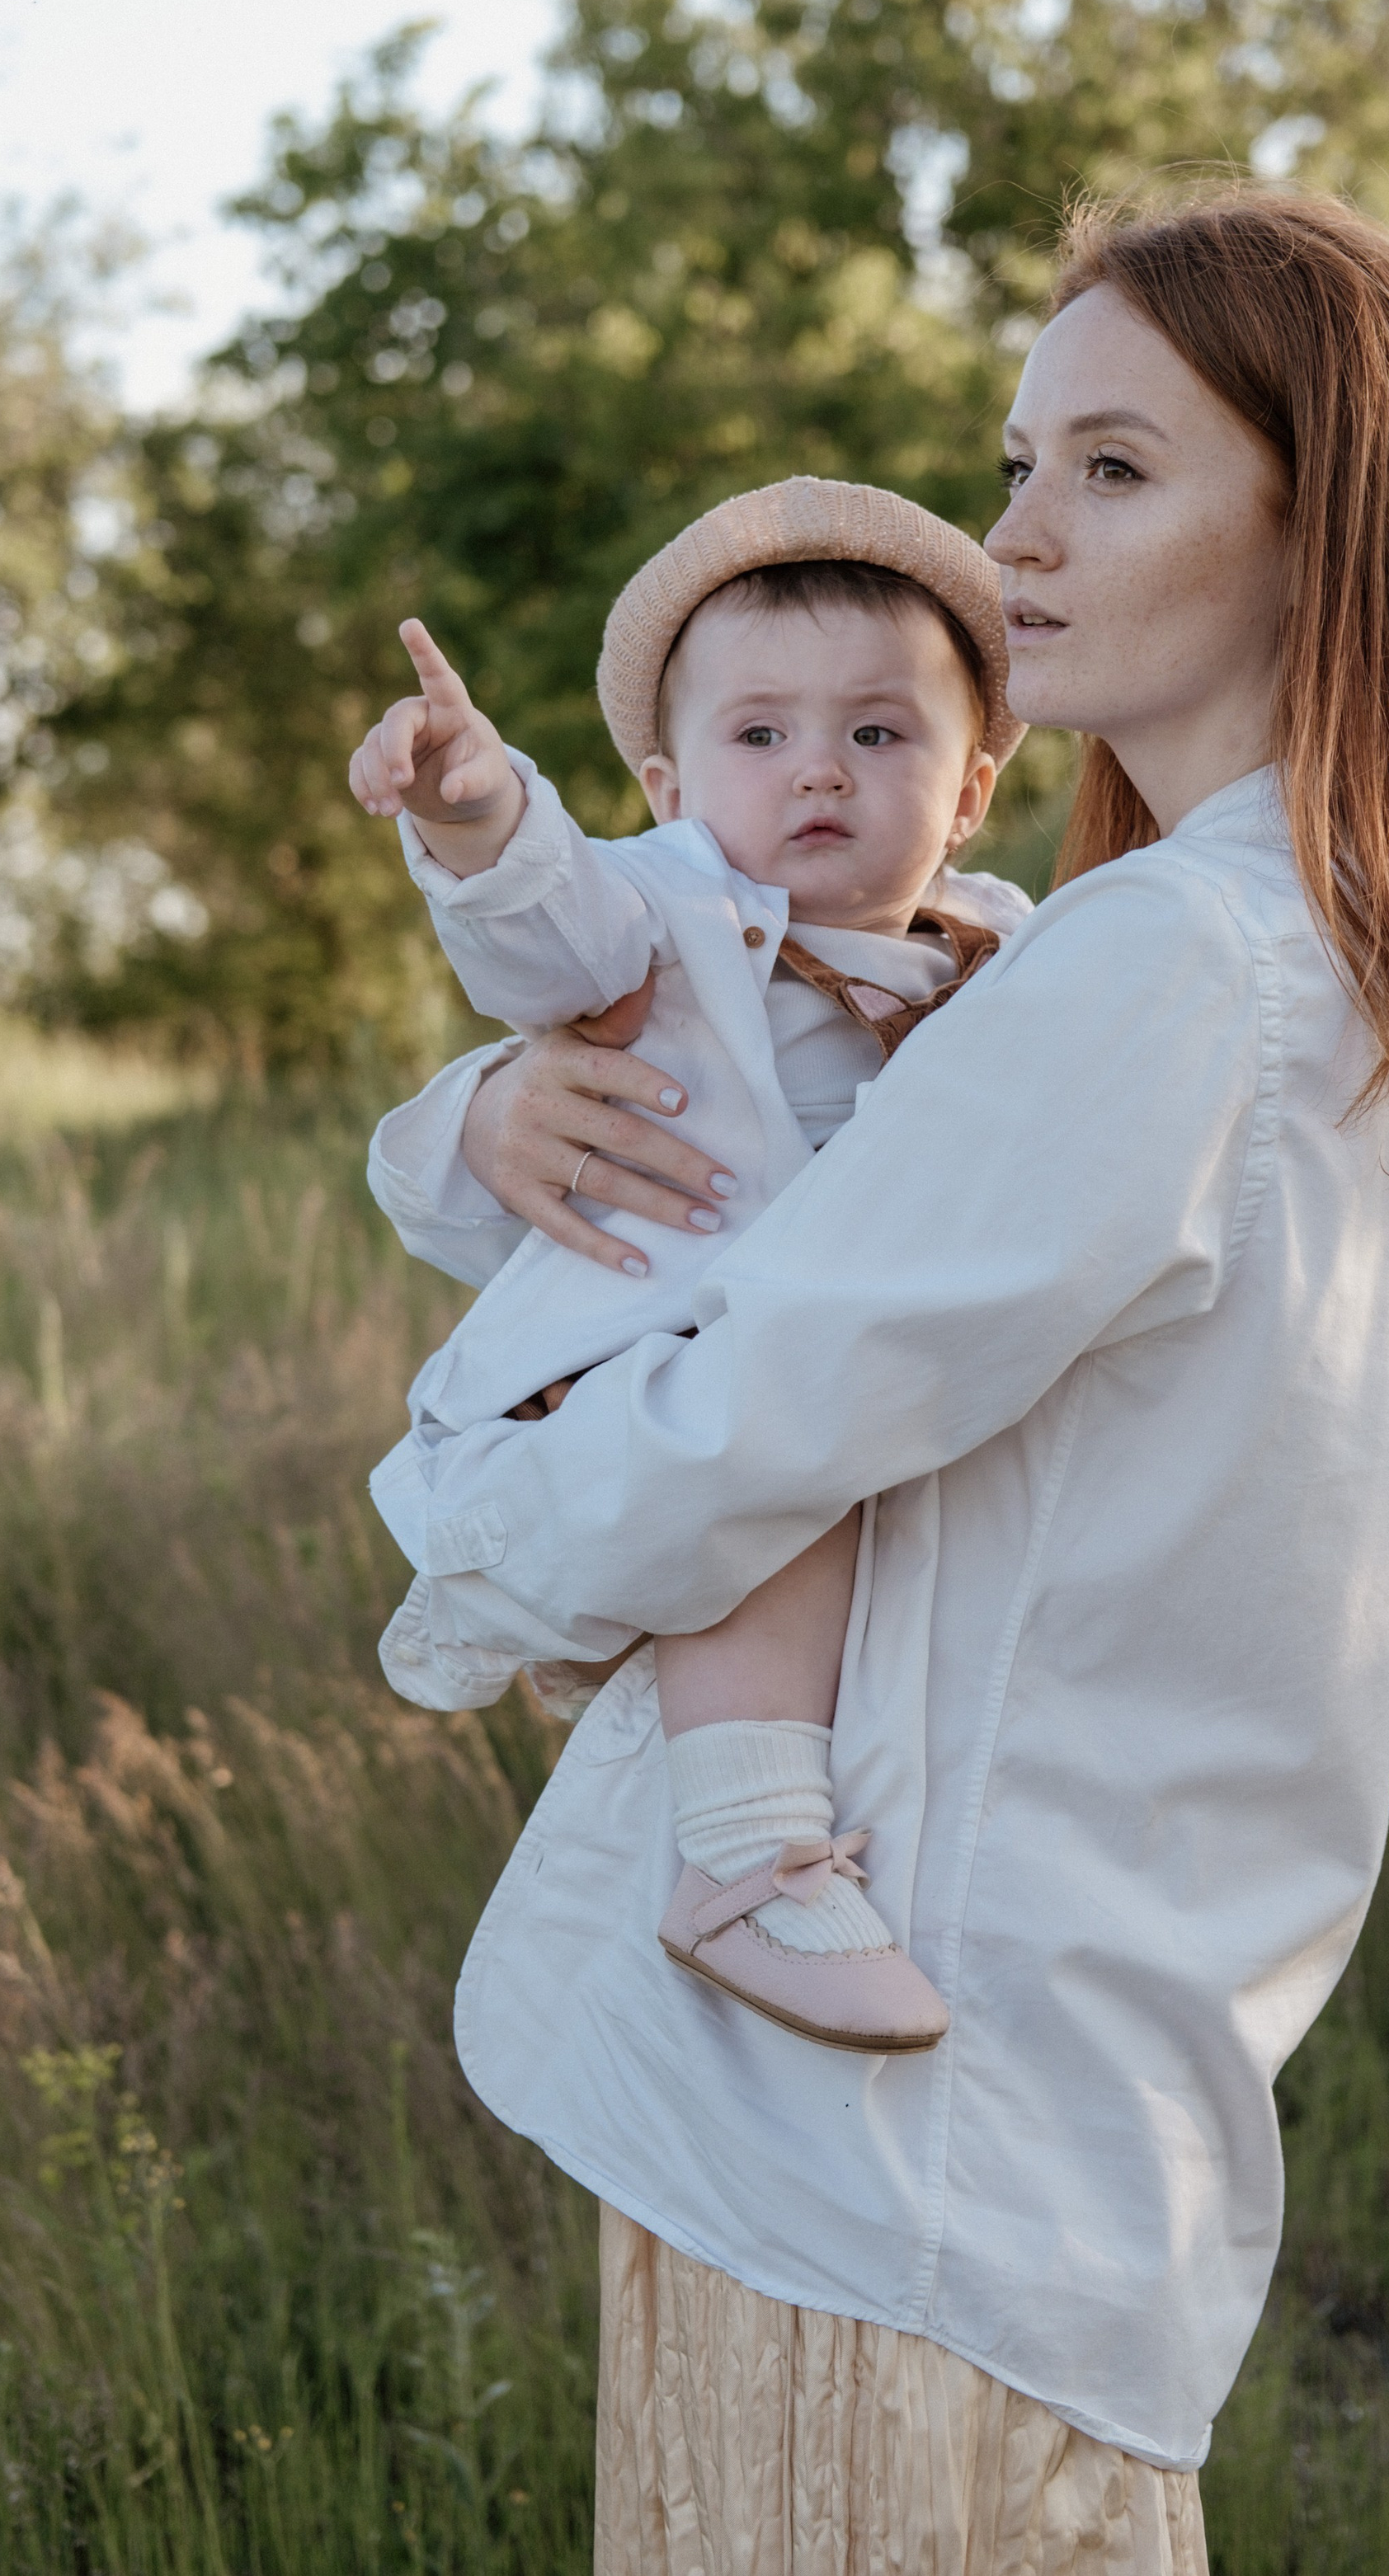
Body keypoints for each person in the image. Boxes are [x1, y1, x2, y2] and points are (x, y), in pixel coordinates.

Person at [377, 183, 1389, 2573]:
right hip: (1021, 2120)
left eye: (1114, 470)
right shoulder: (1315, 954)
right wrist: (469, 1122)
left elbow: (739, 1422)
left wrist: (452, 1510)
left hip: (884, 2169)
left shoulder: (1163, 961)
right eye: (1021, 457)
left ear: (1327, 526)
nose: (1014, 532)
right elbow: (720, 1141)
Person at [348, 481, 1031, 2053]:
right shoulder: (666, 909)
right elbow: (543, 927)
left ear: (974, 787)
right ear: (663, 782)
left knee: (810, 1456)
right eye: (759, 735)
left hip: (829, 1363)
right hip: (650, 1353)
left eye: (878, 735)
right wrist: (476, 810)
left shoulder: (1007, 946)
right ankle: (744, 1865)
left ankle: (732, 1768)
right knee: (766, 1467)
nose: (818, 773)